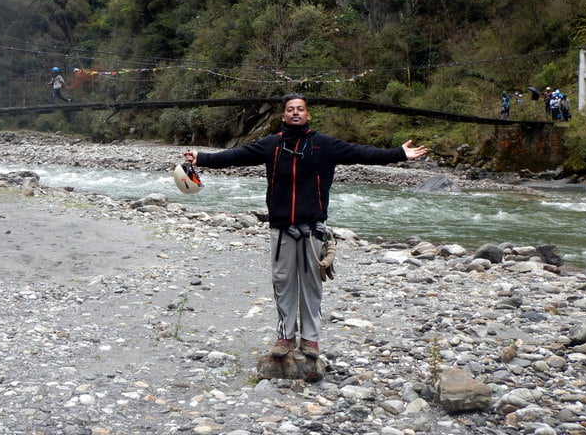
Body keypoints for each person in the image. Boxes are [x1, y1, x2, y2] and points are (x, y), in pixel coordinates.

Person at [183, 94, 428, 359]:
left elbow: (362, 153)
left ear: (308, 115)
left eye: (300, 109)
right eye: (290, 109)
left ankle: (310, 340)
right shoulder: (271, 145)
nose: (296, 113)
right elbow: (234, 156)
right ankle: (285, 337)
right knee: (283, 283)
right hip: (281, 228)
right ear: (283, 116)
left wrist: (398, 154)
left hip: (313, 229)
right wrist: (202, 157)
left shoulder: (325, 145)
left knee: (312, 286)